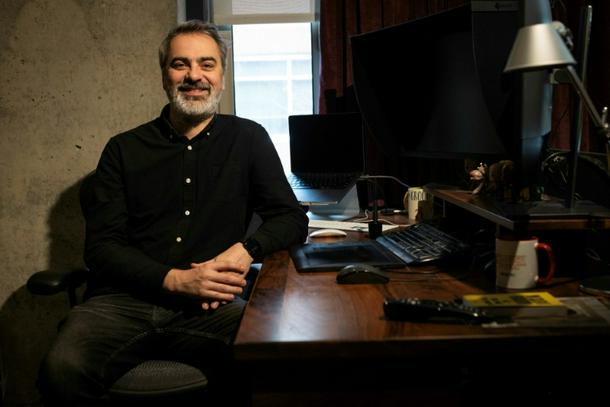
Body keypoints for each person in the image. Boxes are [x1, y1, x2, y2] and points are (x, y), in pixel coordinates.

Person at [38, 20, 309, 406]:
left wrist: (244, 251)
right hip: (121, 304)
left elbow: (291, 218)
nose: (194, 75)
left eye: (207, 64)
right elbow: (101, 249)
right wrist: (177, 280)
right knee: (62, 369)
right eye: (180, 64)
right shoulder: (123, 149)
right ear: (164, 74)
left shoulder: (249, 139)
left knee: (276, 358)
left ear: (222, 75)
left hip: (210, 308)